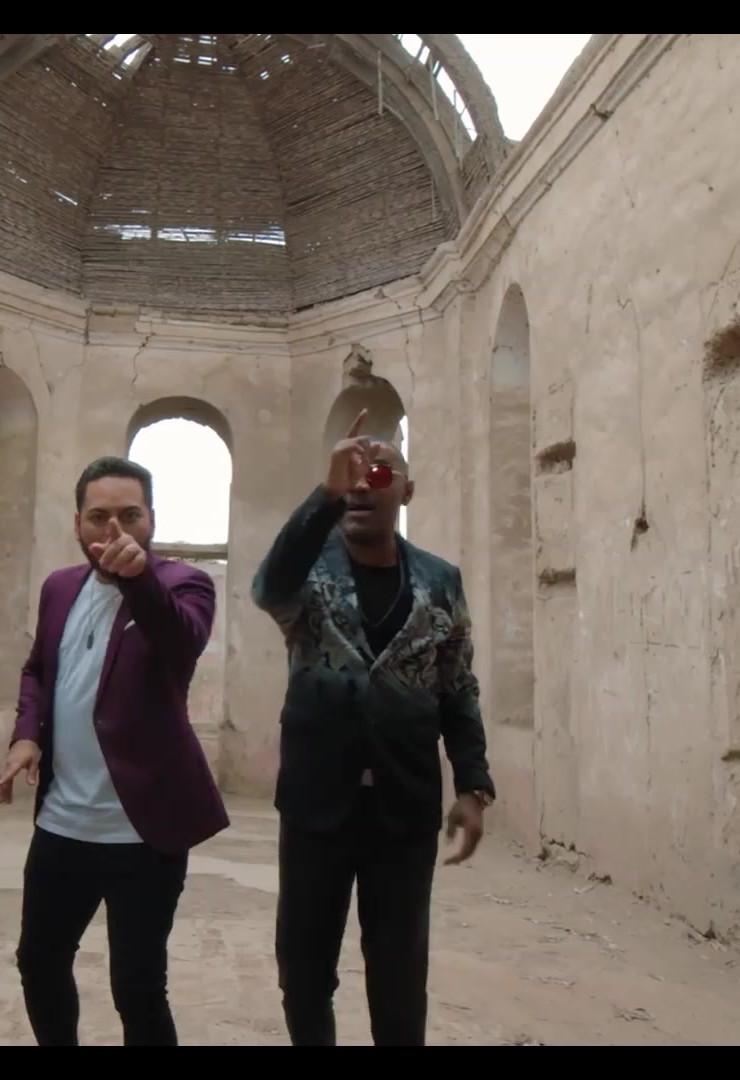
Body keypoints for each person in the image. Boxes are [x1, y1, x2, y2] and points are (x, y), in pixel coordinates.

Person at [250, 409, 496, 1047]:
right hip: (316, 807)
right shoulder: (307, 574)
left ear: (406, 490)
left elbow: (457, 686)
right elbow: (266, 586)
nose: (363, 483)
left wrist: (472, 785)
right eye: (351, 472)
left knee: (399, 978)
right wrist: (323, 495)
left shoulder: (440, 582)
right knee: (305, 973)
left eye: (380, 471)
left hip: (403, 809)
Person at [0, 455, 229, 1046]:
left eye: (130, 515)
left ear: (152, 520)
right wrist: (27, 734)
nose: (114, 529)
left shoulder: (184, 584)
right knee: (39, 963)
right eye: (99, 516)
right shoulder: (59, 588)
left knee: (139, 986)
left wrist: (138, 579)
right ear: (78, 523)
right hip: (62, 824)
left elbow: (181, 640)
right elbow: (37, 670)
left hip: (145, 832)